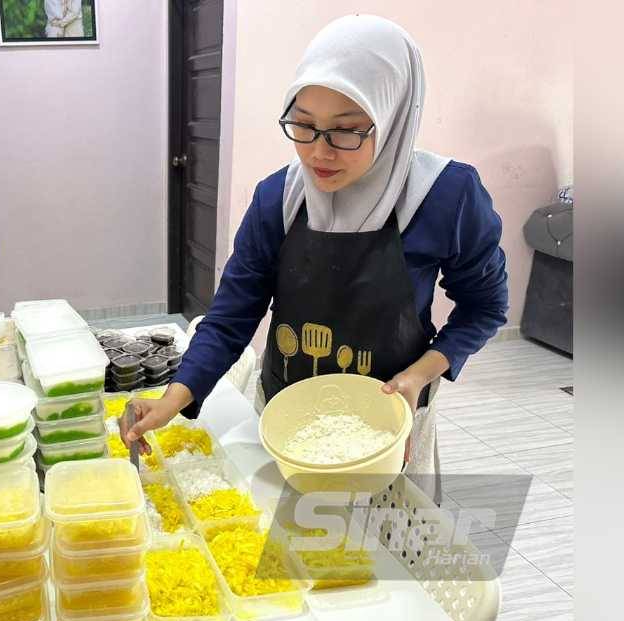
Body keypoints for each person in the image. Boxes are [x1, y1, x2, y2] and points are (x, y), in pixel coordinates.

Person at [124, 15, 509, 503]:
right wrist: (174, 398)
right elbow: (230, 317)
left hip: (389, 421)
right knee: (291, 546)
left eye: (346, 132)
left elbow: (485, 307)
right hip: (286, 409)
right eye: (303, 126)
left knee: (386, 553)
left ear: (393, 120)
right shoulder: (277, 199)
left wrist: (418, 375)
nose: (318, 153)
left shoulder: (446, 196)